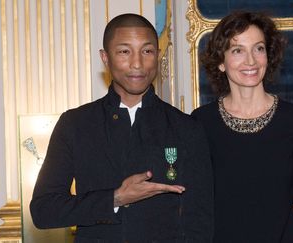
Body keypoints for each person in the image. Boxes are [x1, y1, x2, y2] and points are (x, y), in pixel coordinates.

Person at [30, 13, 213, 243]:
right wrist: (115, 198)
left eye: (147, 51)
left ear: (158, 55)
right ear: (105, 58)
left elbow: (200, 223)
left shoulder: (186, 127)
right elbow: (43, 210)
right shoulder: (75, 124)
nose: (137, 63)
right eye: (124, 52)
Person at [191, 11, 293, 243]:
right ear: (220, 61)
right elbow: (197, 203)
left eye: (258, 48)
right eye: (238, 50)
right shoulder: (201, 123)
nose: (251, 61)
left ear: (267, 56)